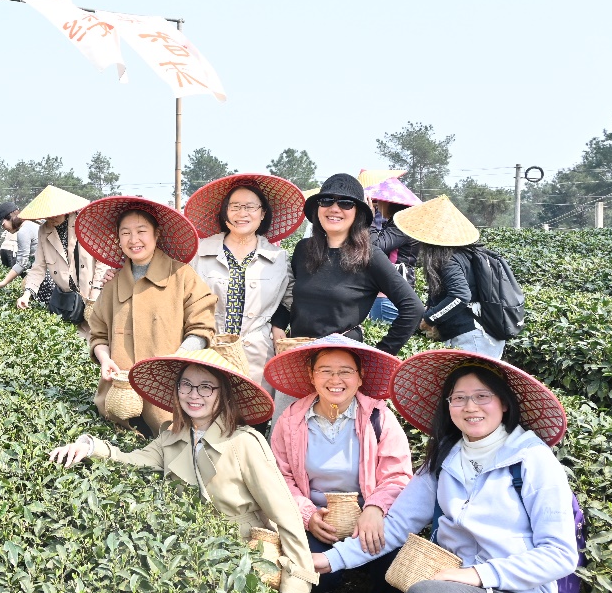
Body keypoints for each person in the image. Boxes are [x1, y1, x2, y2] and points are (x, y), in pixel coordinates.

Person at [49, 348, 326, 593]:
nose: (194, 395)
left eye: (206, 387)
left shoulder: (244, 443)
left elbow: (285, 513)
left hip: (248, 557)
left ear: (222, 393)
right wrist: (91, 447)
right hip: (196, 560)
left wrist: (296, 581)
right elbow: (134, 461)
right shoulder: (170, 436)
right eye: (186, 385)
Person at [312, 351, 576, 593]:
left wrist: (475, 575)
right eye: (459, 398)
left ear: (504, 403)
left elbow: (560, 555)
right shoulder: (445, 458)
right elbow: (395, 527)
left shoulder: (532, 460)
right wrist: (329, 560)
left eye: (482, 396)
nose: (470, 407)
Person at [264, 334, 413, 593]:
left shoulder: (378, 417)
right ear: (311, 376)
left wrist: (374, 508)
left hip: (367, 516)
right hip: (319, 518)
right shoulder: (291, 420)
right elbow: (280, 478)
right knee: (310, 565)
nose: (336, 379)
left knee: (391, 554)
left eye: (345, 371)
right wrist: (307, 515)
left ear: (360, 377)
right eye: (325, 371)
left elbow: (398, 474)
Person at [77, 196, 216, 436]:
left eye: (142, 231)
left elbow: (202, 326)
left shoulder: (182, 275)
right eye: (125, 233)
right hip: (119, 401)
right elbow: (98, 334)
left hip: (170, 401)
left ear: (156, 234)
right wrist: (105, 359)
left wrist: (178, 359)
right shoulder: (113, 283)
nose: (134, 240)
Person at [270, 173, 423, 356]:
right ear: (318, 208)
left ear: (358, 212)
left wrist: (380, 354)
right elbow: (291, 297)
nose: (335, 208)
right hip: (297, 354)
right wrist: (278, 324)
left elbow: (413, 308)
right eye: (326, 201)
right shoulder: (304, 250)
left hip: (340, 359)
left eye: (346, 203)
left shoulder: (369, 256)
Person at [184, 174, 306, 387]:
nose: (242, 213)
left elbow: (291, 301)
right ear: (225, 211)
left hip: (258, 357)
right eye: (235, 206)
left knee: (255, 407)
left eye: (250, 207)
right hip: (208, 351)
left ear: (263, 213)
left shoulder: (278, 258)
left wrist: (278, 326)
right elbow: (181, 296)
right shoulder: (200, 252)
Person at [394, 195, 506, 359]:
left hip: (474, 338)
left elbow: (460, 296)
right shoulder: (464, 254)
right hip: (479, 336)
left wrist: (430, 318)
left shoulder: (449, 260)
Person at [13, 185, 108, 337]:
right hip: (68, 298)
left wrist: (95, 294)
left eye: (55, 214)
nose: (52, 218)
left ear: (66, 209)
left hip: (91, 291)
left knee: (98, 337)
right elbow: (38, 266)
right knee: (75, 339)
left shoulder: (86, 223)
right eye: (48, 215)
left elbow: (102, 262)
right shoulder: (44, 230)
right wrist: (27, 294)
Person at [363, 177, 421, 324]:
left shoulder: (403, 225)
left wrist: (370, 219)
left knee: (388, 336)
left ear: (389, 203)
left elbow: (376, 246)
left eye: (380, 201)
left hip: (390, 295)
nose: (377, 204)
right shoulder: (396, 223)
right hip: (390, 293)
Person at [0, 200, 40, 290]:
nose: (3, 228)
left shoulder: (23, 231)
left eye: (3, 224)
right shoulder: (31, 224)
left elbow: (21, 263)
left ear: (10, 217)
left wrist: (2, 283)